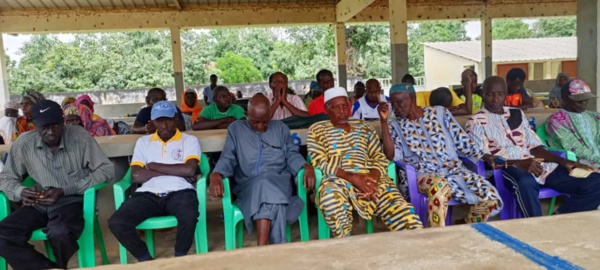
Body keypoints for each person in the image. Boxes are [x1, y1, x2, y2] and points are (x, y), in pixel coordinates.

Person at [0, 100, 113, 269]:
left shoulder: (79, 137)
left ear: (62, 121)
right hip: (38, 203)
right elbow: (6, 178)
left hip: (71, 200)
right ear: (34, 125)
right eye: (44, 127)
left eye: (56, 125)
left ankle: (60, 264)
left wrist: (66, 190)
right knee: (3, 234)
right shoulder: (24, 143)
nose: (51, 132)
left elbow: (106, 170)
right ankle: (48, 268)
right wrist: (21, 191)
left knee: (60, 232)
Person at [466, 76, 600, 217]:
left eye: (500, 94)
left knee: (596, 181)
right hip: (505, 168)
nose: (495, 99)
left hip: (537, 165)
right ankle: (535, 225)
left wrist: (563, 161)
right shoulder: (476, 121)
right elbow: (485, 158)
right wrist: (518, 163)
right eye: (490, 94)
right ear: (483, 95)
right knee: (525, 182)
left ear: (506, 94)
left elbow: (535, 147)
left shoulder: (517, 113)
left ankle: (558, 218)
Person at [380, 83, 502, 227]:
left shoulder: (439, 114)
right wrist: (383, 121)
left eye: (399, 102)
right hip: (422, 175)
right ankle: (436, 235)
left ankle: (465, 225)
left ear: (412, 98)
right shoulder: (395, 125)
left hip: (455, 171)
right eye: (392, 104)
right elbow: (391, 154)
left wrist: (486, 156)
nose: (396, 107)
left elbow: (462, 141)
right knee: (440, 187)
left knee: (491, 198)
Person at [307, 87, 422, 238]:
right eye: (336, 107)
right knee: (330, 199)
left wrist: (373, 177)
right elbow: (319, 161)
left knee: (404, 212)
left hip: (370, 178)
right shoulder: (317, 129)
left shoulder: (364, 128)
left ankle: (415, 246)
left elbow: (378, 156)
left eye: (344, 106)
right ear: (326, 109)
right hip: (338, 179)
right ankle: (343, 242)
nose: (342, 111)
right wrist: (353, 178)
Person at [209, 93, 316, 245]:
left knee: (266, 188)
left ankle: (262, 248)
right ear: (247, 115)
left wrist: (306, 166)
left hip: (279, 182)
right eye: (255, 122)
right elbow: (228, 157)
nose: (260, 126)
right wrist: (216, 174)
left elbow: (292, 154)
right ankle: (272, 248)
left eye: (265, 122)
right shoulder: (236, 129)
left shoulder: (281, 128)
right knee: (268, 194)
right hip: (248, 185)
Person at [109, 101, 200, 262]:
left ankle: (179, 257)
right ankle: (146, 259)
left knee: (189, 214)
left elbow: (190, 170)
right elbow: (136, 176)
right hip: (148, 194)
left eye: (168, 120)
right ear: (152, 122)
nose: (164, 125)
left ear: (175, 119)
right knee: (117, 222)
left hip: (180, 192)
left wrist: (153, 166)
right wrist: (177, 169)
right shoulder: (143, 142)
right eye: (159, 121)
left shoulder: (189, 140)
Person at [547, 79, 600, 171]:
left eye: (586, 99)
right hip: (578, 162)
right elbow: (574, 148)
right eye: (579, 100)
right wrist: (597, 158)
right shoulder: (556, 121)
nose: (583, 102)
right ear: (565, 99)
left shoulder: (593, 116)